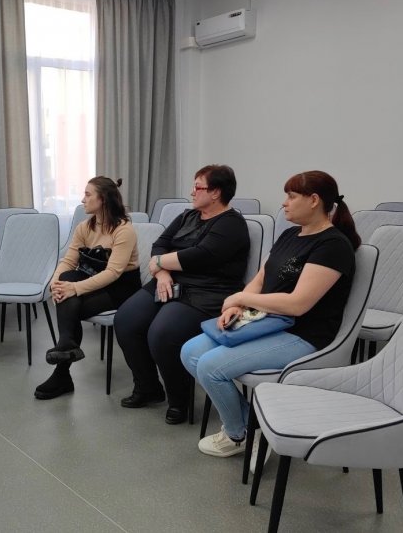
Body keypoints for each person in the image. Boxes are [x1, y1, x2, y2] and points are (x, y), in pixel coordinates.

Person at [181, 170, 360, 457]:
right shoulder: (290, 234)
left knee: (211, 367)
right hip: (269, 321)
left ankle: (237, 435)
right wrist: (238, 306)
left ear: (314, 200)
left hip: (304, 333)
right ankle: (254, 426)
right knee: (190, 352)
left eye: (291, 196)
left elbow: (298, 304)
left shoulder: (333, 245)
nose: (284, 203)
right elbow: (261, 279)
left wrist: (240, 297)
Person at [114, 165, 249, 425]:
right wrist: (163, 273)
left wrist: (158, 262)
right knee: (126, 320)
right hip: (169, 281)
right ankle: (148, 387)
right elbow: (160, 243)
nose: (192, 192)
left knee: (162, 334)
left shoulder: (232, 224)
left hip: (206, 291)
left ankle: (179, 400)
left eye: (198, 187)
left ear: (216, 192)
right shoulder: (188, 216)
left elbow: (200, 256)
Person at [35, 177, 141, 400]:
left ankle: (62, 372)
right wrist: (56, 283)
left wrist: (74, 288)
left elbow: (113, 273)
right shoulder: (84, 227)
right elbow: (68, 261)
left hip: (121, 287)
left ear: (103, 199)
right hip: (93, 277)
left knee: (70, 305)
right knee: (65, 282)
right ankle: (66, 346)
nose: (83, 200)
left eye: (87, 194)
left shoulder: (124, 230)